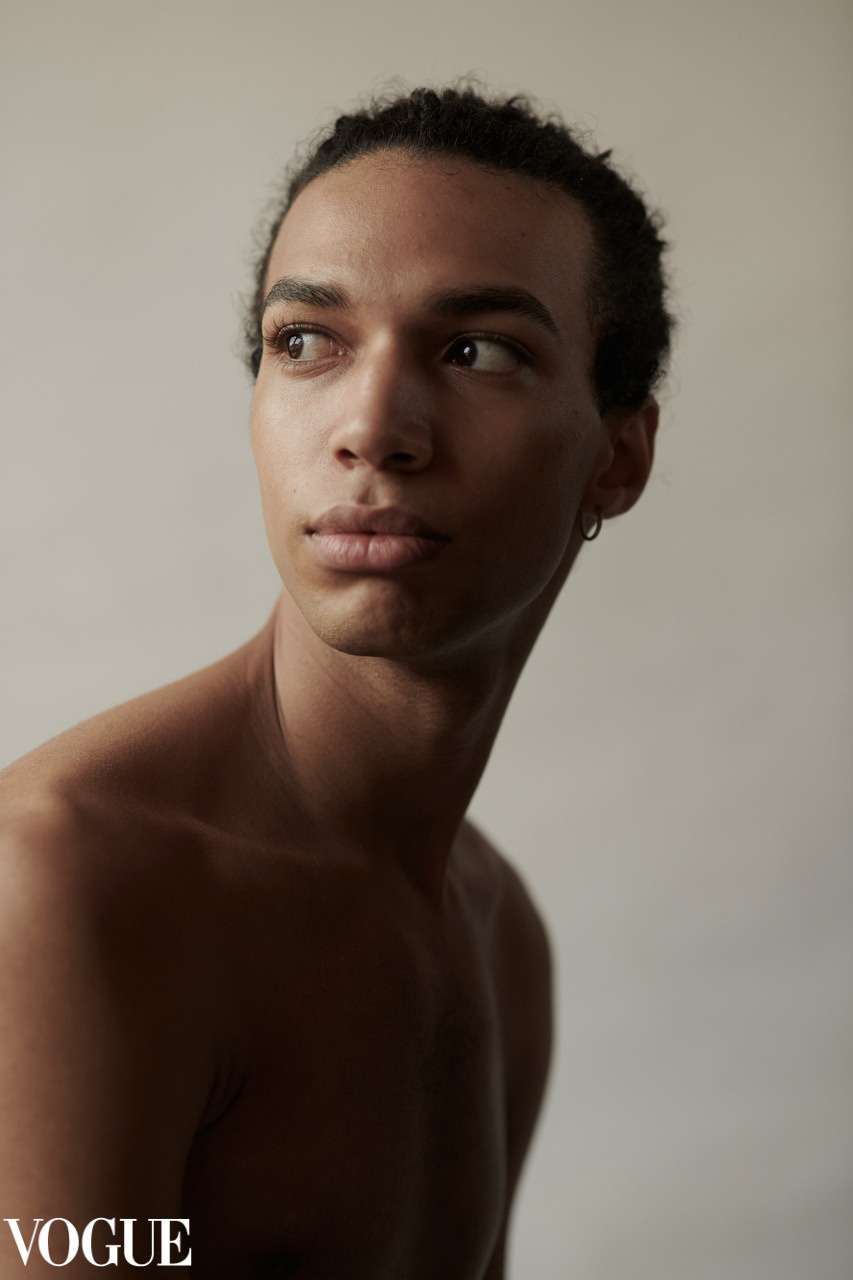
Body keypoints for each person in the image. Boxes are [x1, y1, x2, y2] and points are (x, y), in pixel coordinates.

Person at [0, 86, 672, 1277]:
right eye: (306, 341)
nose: (374, 427)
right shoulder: (67, 877)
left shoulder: (499, 931)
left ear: (617, 454)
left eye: (477, 350)